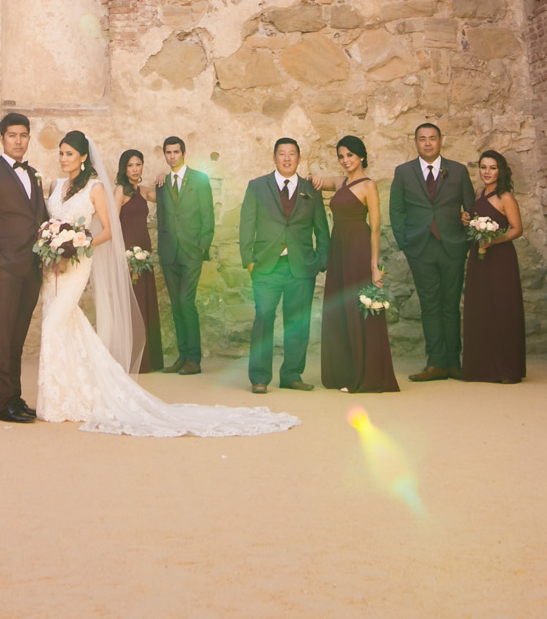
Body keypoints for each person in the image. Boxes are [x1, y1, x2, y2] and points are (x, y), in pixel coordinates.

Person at [36, 131, 296, 436]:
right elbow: (49, 222)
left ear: (82, 156)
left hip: (79, 261)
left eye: (69, 153)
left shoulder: (98, 188)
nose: (64, 159)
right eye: (61, 154)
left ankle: (182, 361)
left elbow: (109, 227)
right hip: (52, 266)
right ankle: (63, 394)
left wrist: (79, 245)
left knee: (55, 324)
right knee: (63, 323)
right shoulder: (55, 186)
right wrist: (51, 243)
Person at [238, 138, 330, 395]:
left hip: (301, 267)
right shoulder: (257, 186)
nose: (287, 158)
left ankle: (291, 374)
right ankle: (259, 377)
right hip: (267, 266)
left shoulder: (311, 188)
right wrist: (249, 261)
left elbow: (321, 228)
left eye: (292, 154)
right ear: (275, 157)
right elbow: (246, 224)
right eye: (282, 154)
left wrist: (321, 260)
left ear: (299, 159)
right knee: (264, 318)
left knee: (297, 323)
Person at [388, 122, 476, 381]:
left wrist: (466, 241)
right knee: (429, 305)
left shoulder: (458, 171)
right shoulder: (403, 172)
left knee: (450, 305)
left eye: (432, 138)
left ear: (440, 141)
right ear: (415, 142)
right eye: (422, 139)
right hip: (420, 247)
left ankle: (453, 363)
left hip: (452, 246)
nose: (427, 143)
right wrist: (406, 243)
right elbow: (397, 210)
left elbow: (471, 209)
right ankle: (435, 362)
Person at [0, 112, 45, 423]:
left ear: (29, 138)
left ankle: (15, 397)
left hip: (31, 266)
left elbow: (38, 218)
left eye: (23, 135)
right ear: (1, 138)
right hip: (5, 267)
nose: (19, 140)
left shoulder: (34, 174)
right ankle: (1, 405)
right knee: (2, 336)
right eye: (12, 135)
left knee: (17, 336)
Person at [320, 136, 399, 394]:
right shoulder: (341, 181)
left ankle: (367, 376)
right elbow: (319, 181)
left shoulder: (369, 186)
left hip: (357, 248)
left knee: (358, 307)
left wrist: (374, 265)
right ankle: (344, 371)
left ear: (361, 156)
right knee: (340, 307)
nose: (345, 161)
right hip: (338, 248)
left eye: (350, 156)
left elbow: (375, 227)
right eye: (341, 156)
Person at [459, 149, 527, 384]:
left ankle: (507, 369)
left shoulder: (505, 196)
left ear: (500, 171)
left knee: (502, 309)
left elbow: (517, 229)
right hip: (479, 259)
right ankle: (481, 368)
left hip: (500, 259)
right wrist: (467, 220)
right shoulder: (479, 193)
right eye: (483, 167)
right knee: (480, 308)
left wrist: (492, 241)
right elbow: (475, 220)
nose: (487, 172)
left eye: (492, 168)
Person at [154, 134, 213, 375]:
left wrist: (201, 247)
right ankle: (182, 355)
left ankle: (194, 359)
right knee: (177, 305)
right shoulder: (162, 182)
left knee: (187, 302)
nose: (172, 156)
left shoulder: (199, 179)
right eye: (168, 152)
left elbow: (208, 215)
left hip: (191, 252)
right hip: (170, 253)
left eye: (176, 152)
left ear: (183, 153)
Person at [114, 150, 163, 373]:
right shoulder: (120, 191)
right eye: (131, 165)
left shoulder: (143, 191)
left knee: (144, 301)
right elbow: (113, 225)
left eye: (138, 164)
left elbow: (167, 196)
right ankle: (132, 358)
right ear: (124, 168)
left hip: (144, 251)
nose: (135, 169)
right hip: (127, 253)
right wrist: (120, 256)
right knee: (131, 304)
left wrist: (165, 177)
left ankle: (148, 359)